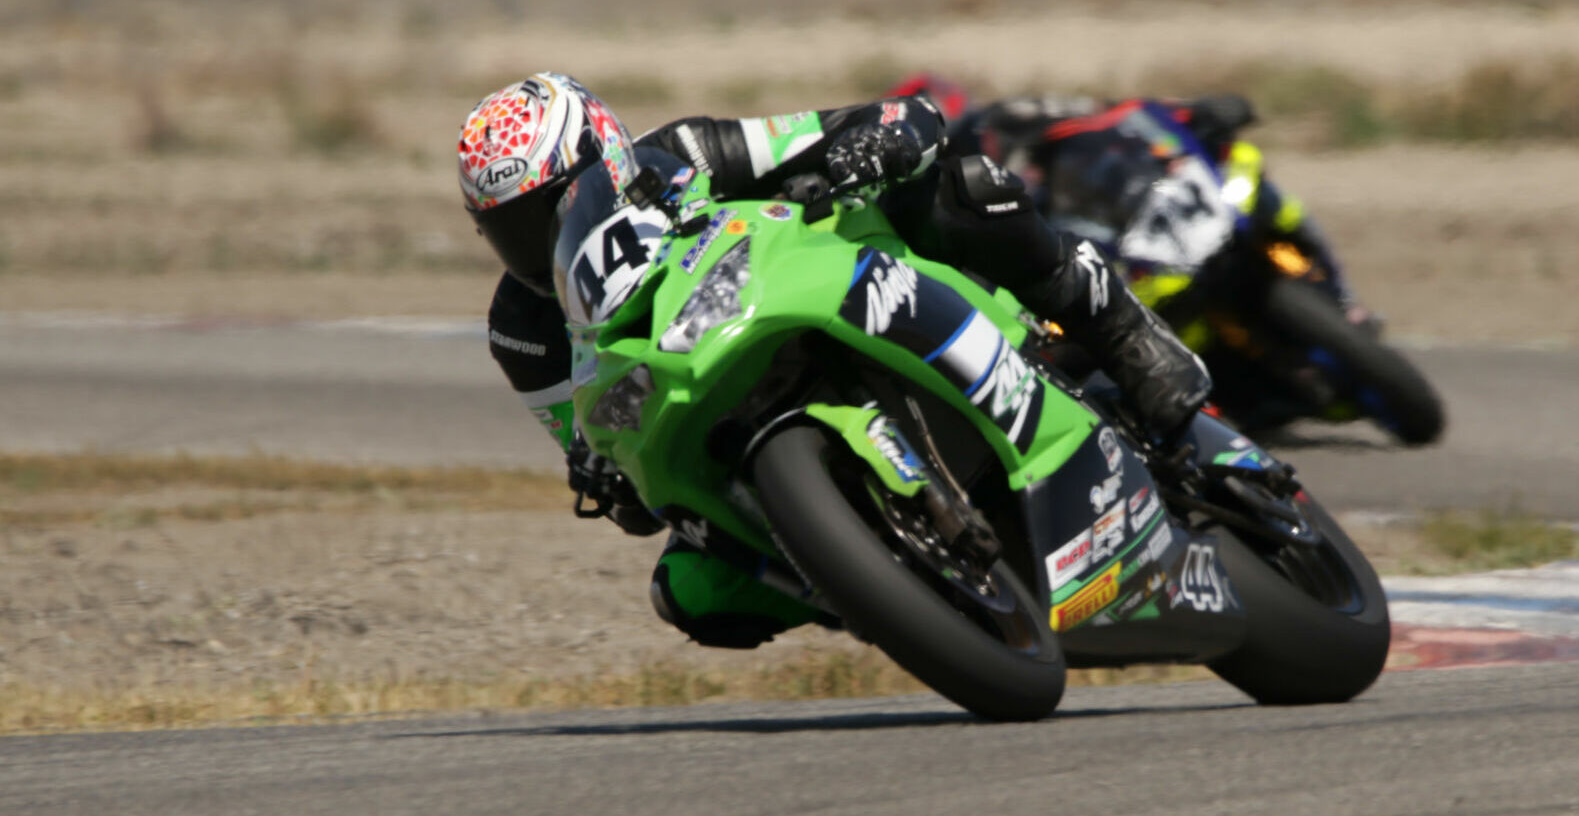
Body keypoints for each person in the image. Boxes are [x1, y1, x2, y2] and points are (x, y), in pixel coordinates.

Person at [457, 73, 1213, 649]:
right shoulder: (523, 330)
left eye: (551, 207)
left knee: (964, 188)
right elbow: (591, 446)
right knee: (688, 591)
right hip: (703, 406)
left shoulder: (684, 154)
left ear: (607, 157)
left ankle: (1125, 330)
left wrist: (867, 143)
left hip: (819, 284)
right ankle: (888, 588)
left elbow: (889, 120)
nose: (535, 240)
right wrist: (603, 478)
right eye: (508, 227)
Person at [937, 85, 1373, 327]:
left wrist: (1208, 112)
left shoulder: (1097, 126)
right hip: (1145, 254)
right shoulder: (1031, 200)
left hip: (1177, 202)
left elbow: (1159, 114)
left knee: (1264, 189)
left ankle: (1345, 296)